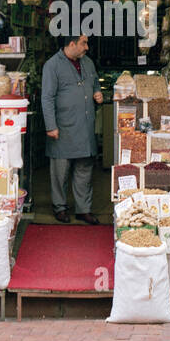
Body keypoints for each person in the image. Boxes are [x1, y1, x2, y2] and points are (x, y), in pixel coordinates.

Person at [41, 33, 103, 224]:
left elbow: (94, 84)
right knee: (60, 171)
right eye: (84, 43)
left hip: (84, 126)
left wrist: (97, 93)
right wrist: (51, 126)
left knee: (84, 168)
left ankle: (83, 209)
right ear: (72, 43)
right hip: (63, 127)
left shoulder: (88, 62)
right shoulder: (52, 65)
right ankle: (60, 207)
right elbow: (47, 97)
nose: (87, 47)